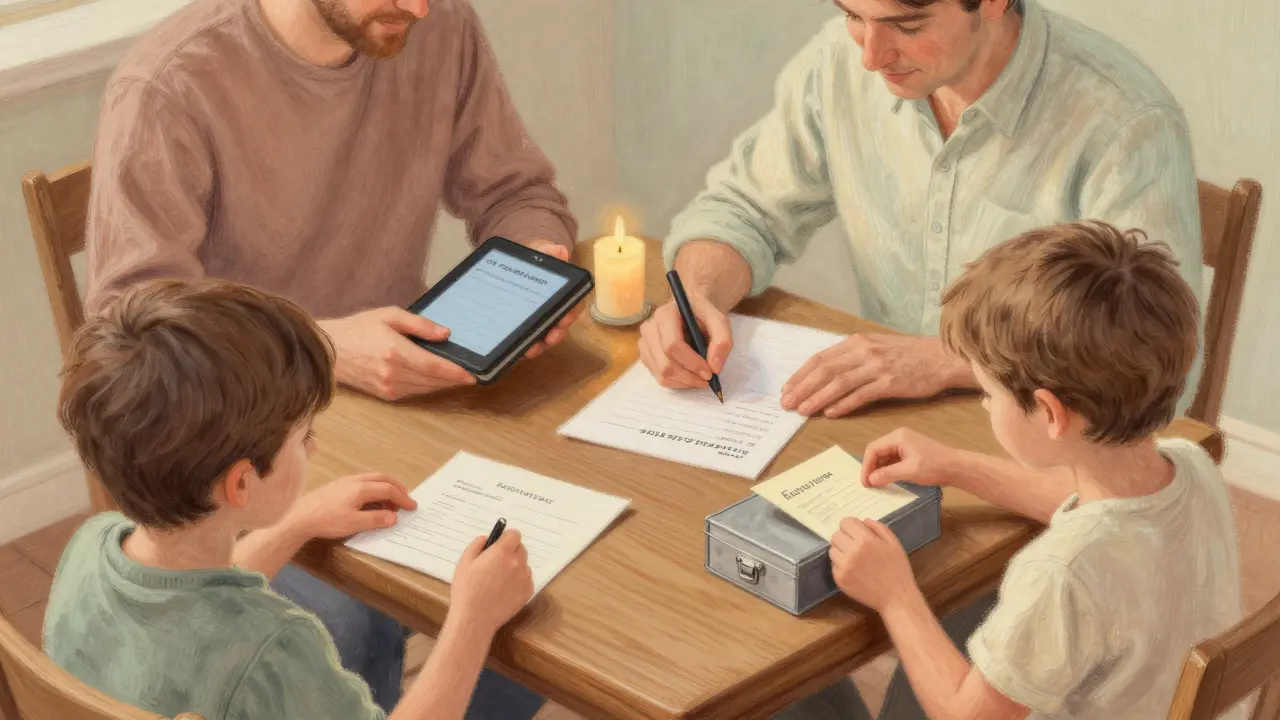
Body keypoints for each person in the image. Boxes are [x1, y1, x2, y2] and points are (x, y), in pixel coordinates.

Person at [80, 0, 576, 714]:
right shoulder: (169, 85)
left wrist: (536, 270)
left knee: (540, 572)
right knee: (344, 625)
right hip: (240, 453)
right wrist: (321, 347)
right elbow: (130, 333)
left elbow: (518, 192)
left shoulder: (440, 27)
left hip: (413, 412)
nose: (418, 8)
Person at [639, 0, 1205, 422]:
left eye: (907, 26)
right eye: (853, 16)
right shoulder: (835, 67)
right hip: (887, 423)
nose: (869, 56)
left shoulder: (1123, 119)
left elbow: (1141, 345)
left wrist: (949, 361)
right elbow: (747, 209)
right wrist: (697, 297)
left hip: (1059, 445)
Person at [46, 277, 538, 720]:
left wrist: (292, 524)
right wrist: (471, 619)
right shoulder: (273, 649)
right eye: (304, 438)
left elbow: (191, 611)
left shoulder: (91, 547)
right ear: (241, 485)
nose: (315, 447)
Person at [826, 221, 1243, 719]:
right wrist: (954, 465)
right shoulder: (1192, 467)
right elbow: (1084, 507)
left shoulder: (1062, 574)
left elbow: (968, 717)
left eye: (988, 393)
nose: (984, 406)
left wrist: (895, 595)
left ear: (1048, 413)